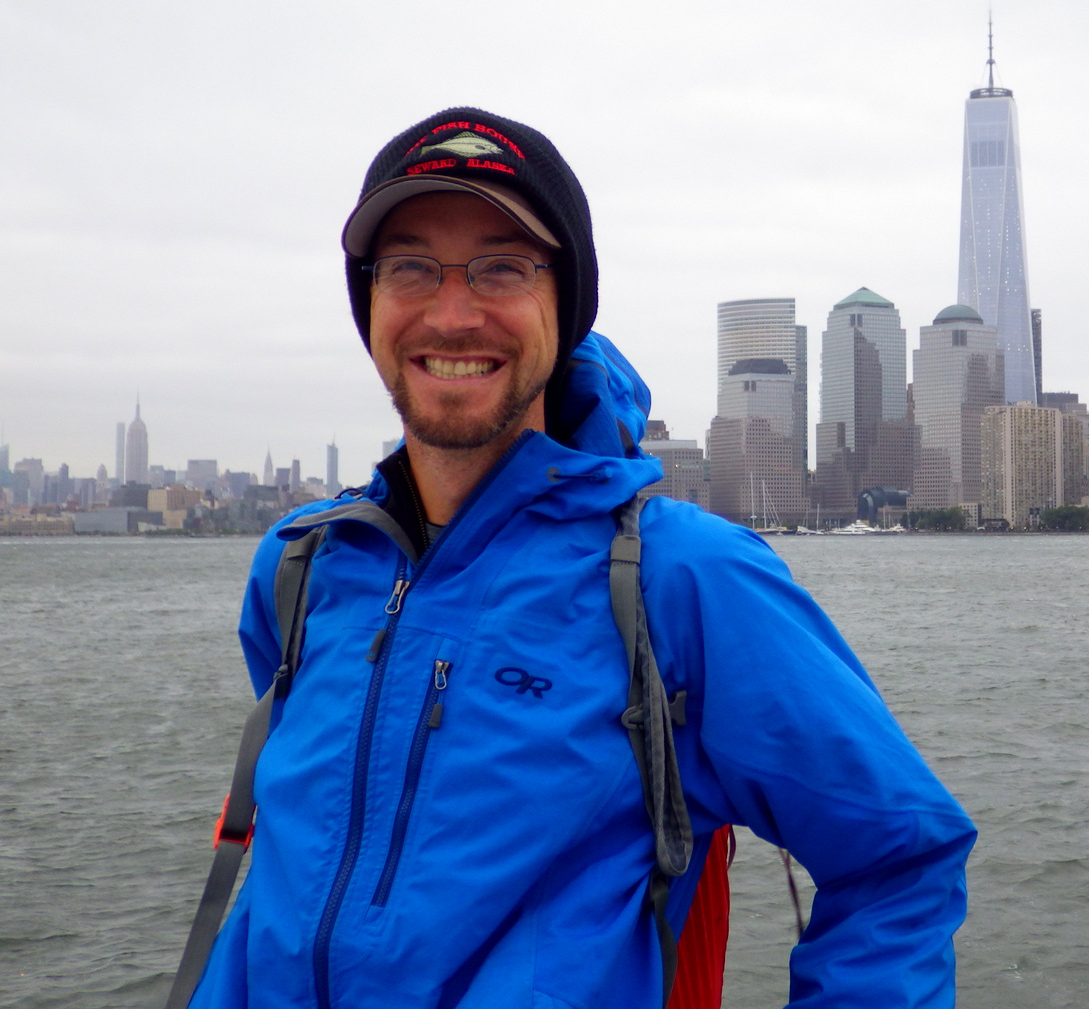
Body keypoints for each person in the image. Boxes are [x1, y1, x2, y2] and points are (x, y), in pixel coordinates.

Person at [182, 107, 976, 1008]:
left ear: (565, 304)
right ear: (368, 302)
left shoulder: (682, 579)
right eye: (409, 266)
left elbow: (898, 860)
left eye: (502, 266)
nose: (452, 312)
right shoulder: (302, 568)